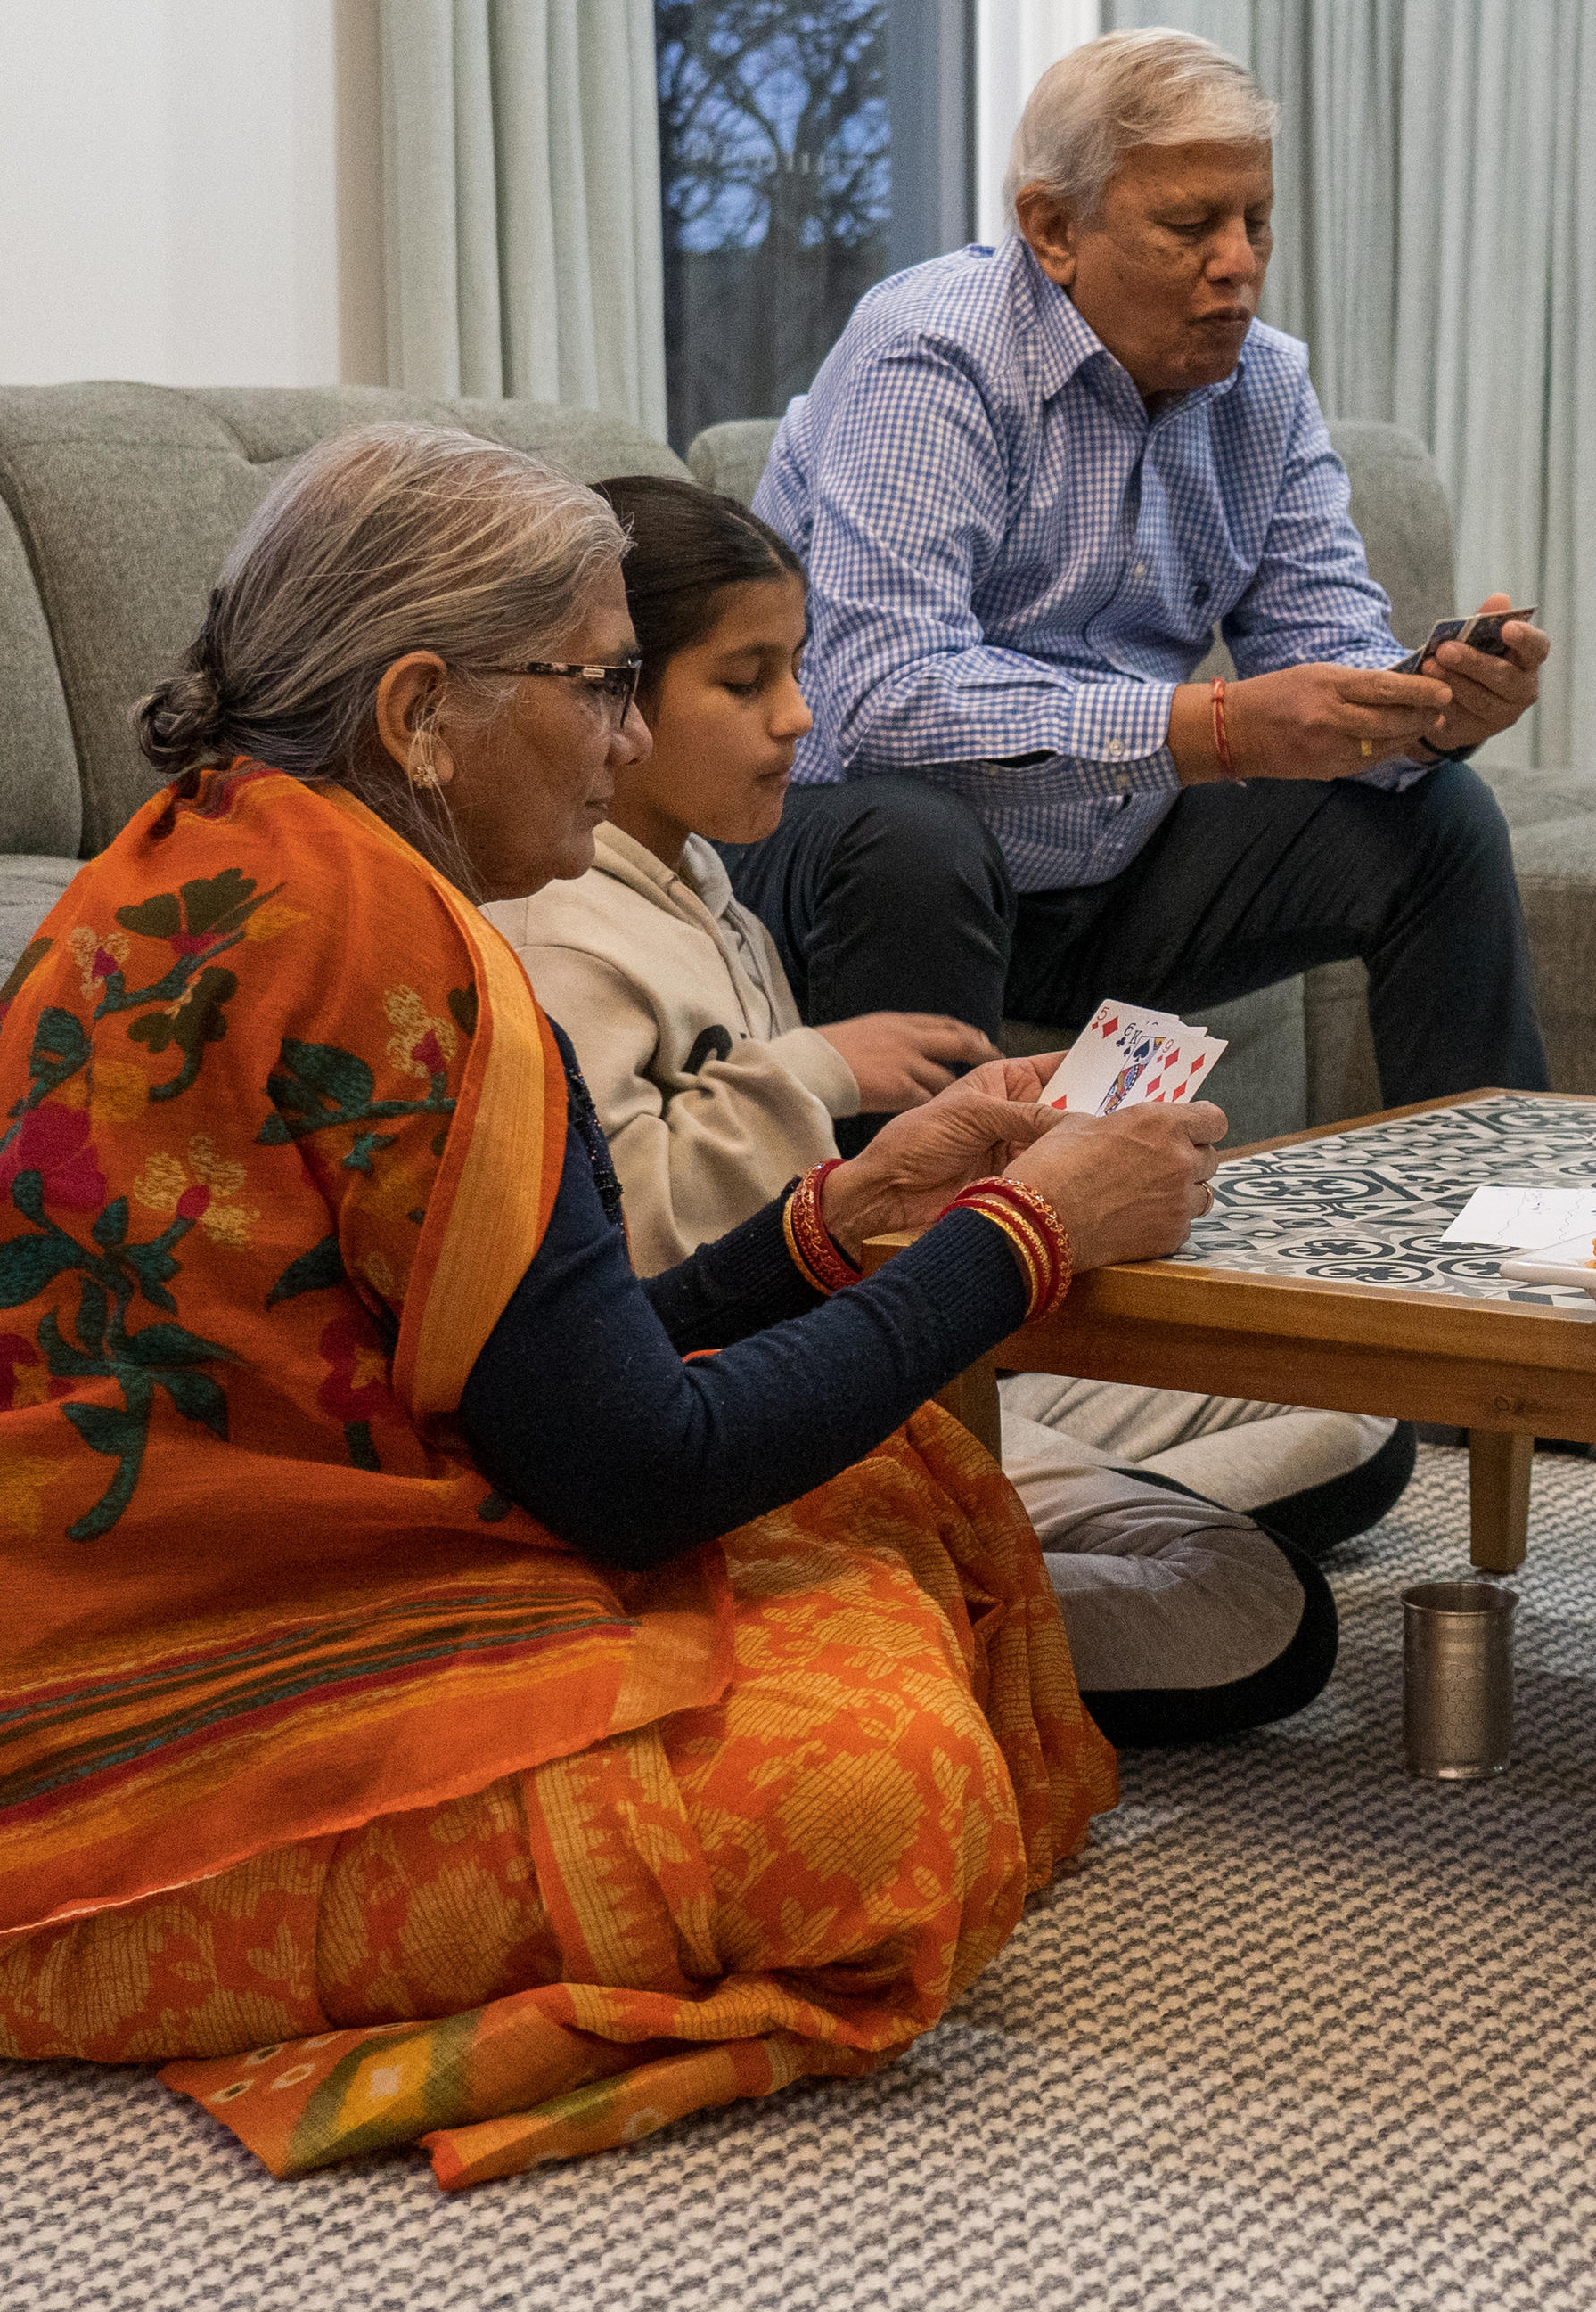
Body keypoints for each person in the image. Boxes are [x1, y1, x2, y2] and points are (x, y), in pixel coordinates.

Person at [0, 423, 1231, 2191]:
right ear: (416, 713)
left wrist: (844, 1217)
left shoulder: (215, 852)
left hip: (12, 1626)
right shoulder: (406, 963)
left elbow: (534, 1370)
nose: (629, 735)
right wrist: (1015, 1239)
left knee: (888, 1488)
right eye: (603, 682)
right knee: (875, 1798)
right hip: (85, 1740)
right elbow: (634, 1472)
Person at [487, 473, 1413, 1743]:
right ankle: (934, 1554)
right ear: (618, 697)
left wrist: (915, 1162)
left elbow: (769, 1194)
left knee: (1357, 1421)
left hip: (802, 1341)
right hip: (734, 1396)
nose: (801, 718)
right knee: (1256, 1609)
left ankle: (1003, 1515)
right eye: (745, 681)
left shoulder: (693, 873)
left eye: (795, 670)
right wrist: (822, 1077)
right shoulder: (548, 920)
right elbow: (635, 1253)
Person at [731, 26, 1554, 1106]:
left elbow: (1324, 644)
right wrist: (1212, 727)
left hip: (1098, 870)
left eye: (1255, 220)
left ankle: (1480, 1231)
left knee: (1436, 821)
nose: (1239, 261)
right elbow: (884, 697)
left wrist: (1424, 710)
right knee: (917, 841)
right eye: (1190, 225)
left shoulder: (1262, 383)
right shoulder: (930, 356)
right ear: (1051, 228)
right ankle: (913, 1256)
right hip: (846, 857)